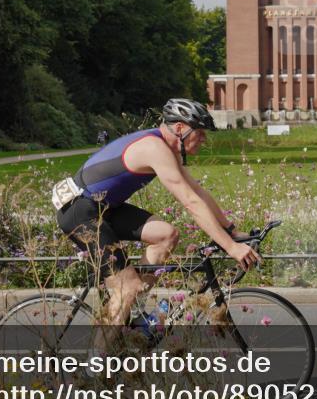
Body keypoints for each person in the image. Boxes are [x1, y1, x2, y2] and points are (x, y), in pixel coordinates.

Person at [53, 98, 259, 349]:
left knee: (166, 235)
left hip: (103, 209)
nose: (204, 139)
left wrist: (231, 231)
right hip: (80, 213)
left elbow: (198, 192)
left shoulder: (165, 148)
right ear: (181, 129)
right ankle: (94, 368)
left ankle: (135, 313)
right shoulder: (154, 148)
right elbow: (190, 203)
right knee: (126, 289)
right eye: (201, 132)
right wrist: (230, 247)